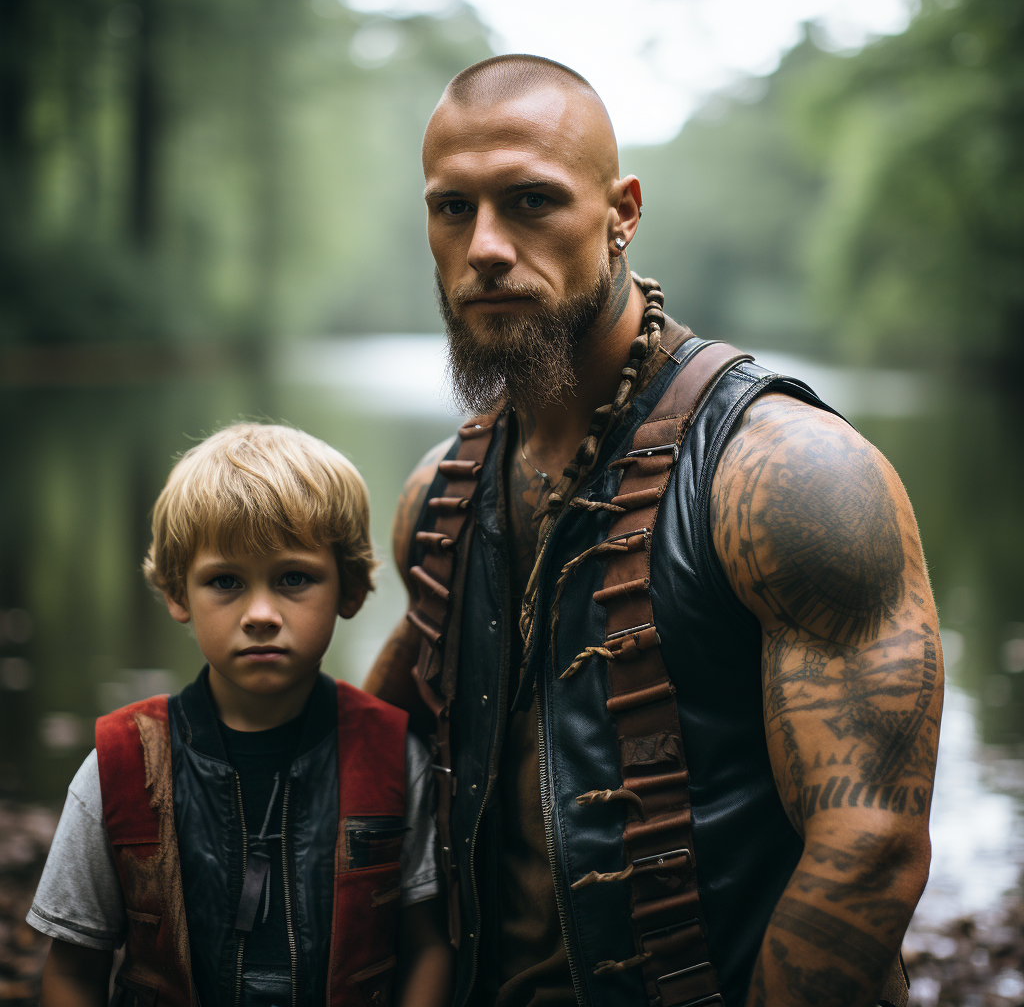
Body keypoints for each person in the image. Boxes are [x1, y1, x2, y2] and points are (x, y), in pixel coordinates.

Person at [364, 55, 942, 1007]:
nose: (487, 247)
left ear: (622, 212)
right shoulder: (439, 494)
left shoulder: (787, 476)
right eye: (452, 208)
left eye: (531, 201)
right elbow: (377, 759)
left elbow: (869, 851)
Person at [28, 422, 453, 1007]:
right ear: (179, 593)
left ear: (350, 588)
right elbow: (74, 969)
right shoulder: (117, 767)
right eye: (225, 581)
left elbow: (427, 946)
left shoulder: (394, 758)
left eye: (293, 579)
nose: (260, 613)